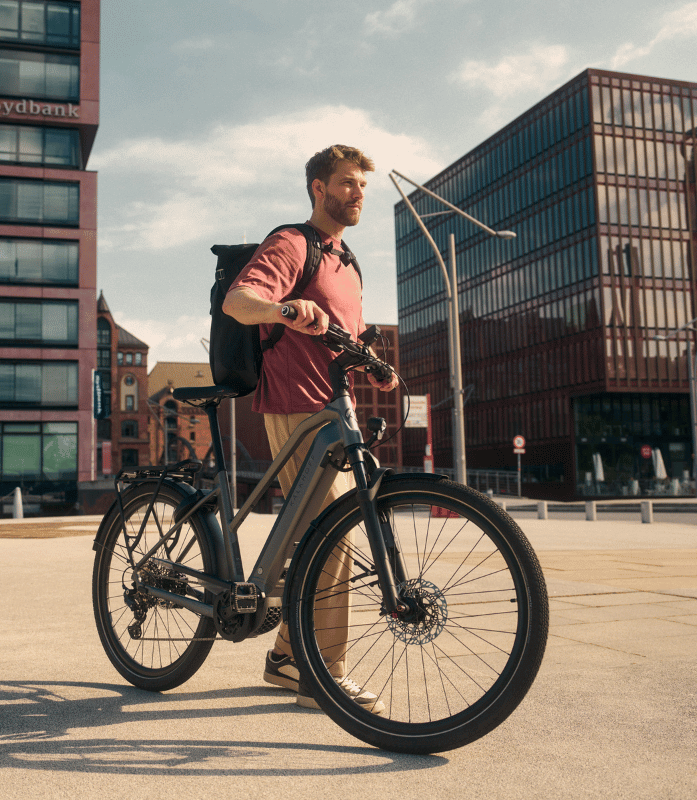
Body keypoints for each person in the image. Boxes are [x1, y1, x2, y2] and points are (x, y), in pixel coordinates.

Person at [222, 144, 398, 712]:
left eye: (363, 186)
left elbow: (352, 331)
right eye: (347, 183)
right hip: (296, 406)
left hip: (334, 408)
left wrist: (377, 360)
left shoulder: (348, 263)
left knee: (324, 537)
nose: (358, 194)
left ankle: (286, 656)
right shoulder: (293, 243)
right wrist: (284, 310)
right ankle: (319, 672)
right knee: (336, 535)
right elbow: (240, 301)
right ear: (318, 188)